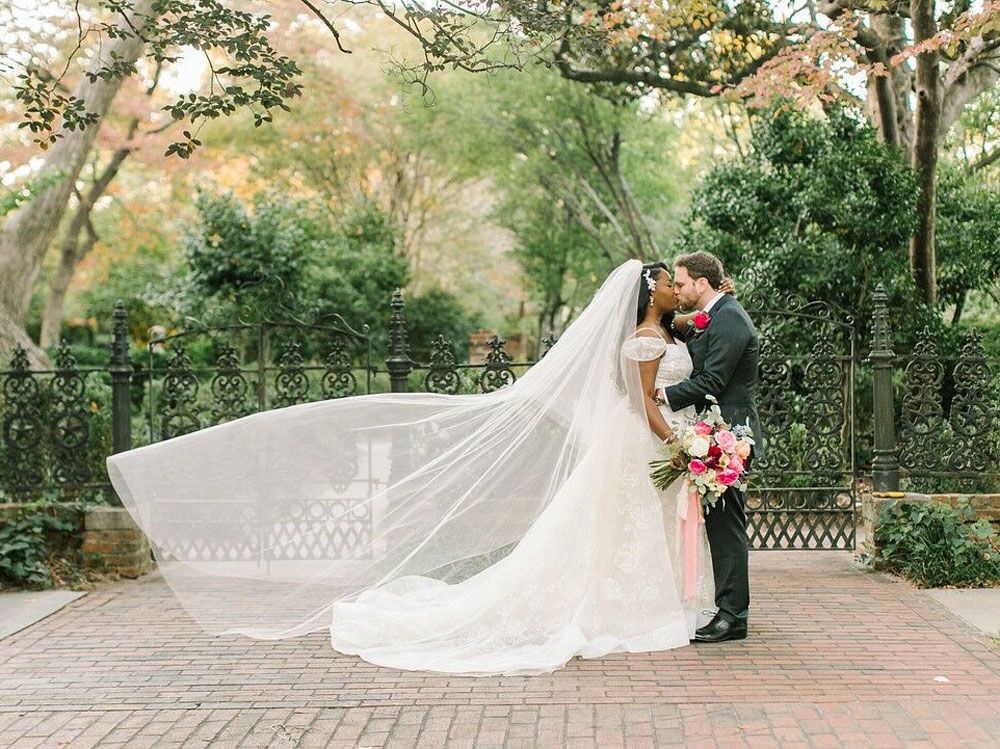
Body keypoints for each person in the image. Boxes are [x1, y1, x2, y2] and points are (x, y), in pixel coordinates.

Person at [105, 259, 737, 676]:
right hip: (642, 440)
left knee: (623, 529)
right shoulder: (645, 339)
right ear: (644, 292)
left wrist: (685, 428)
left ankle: (638, 605)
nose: (670, 284)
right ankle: (623, 609)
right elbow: (642, 401)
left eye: (673, 279)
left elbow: (681, 349)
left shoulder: (673, 329)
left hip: (642, 444)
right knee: (610, 529)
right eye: (662, 279)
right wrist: (684, 445)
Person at [657, 251, 761, 643]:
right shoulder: (715, 315)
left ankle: (733, 615)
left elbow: (712, 381)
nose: (677, 290)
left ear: (703, 284)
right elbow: (681, 324)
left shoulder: (731, 319)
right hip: (715, 433)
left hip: (731, 436)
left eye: (681, 283)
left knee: (726, 526)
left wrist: (659, 394)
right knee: (718, 525)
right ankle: (729, 609)